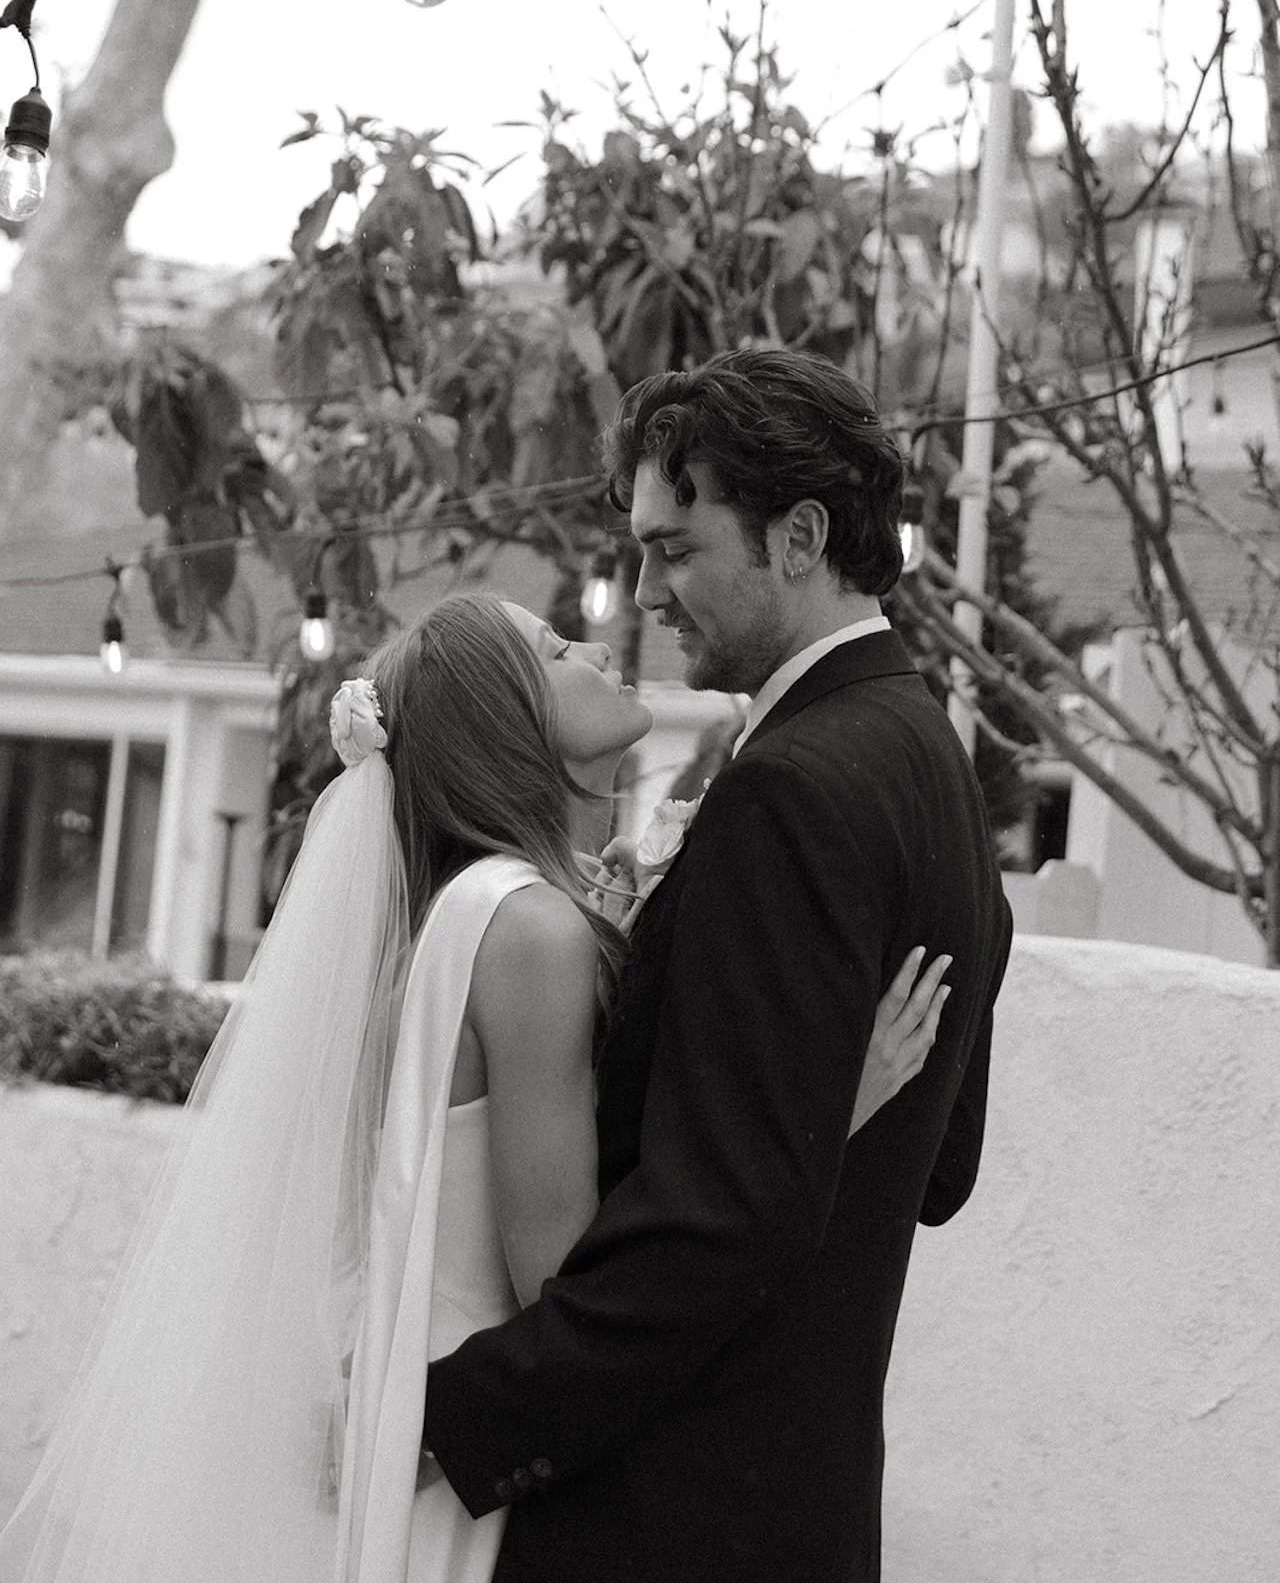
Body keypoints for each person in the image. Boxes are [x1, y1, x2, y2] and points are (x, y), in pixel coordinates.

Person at [0, 588, 942, 1583]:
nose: (591, 641)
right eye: (551, 650)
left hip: (425, 1402)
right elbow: (568, 1277)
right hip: (469, 1451)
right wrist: (819, 1118)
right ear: (509, 722)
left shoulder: (467, 915)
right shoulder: (527, 932)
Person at [418, 351, 1014, 1582]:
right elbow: (937, 1167)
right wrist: (812, 1119)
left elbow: (713, 1227)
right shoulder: (929, 765)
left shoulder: (788, 792)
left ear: (798, 537)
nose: (644, 592)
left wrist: (446, 1418)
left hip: (670, 1517)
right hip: (802, 1505)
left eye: (676, 549)